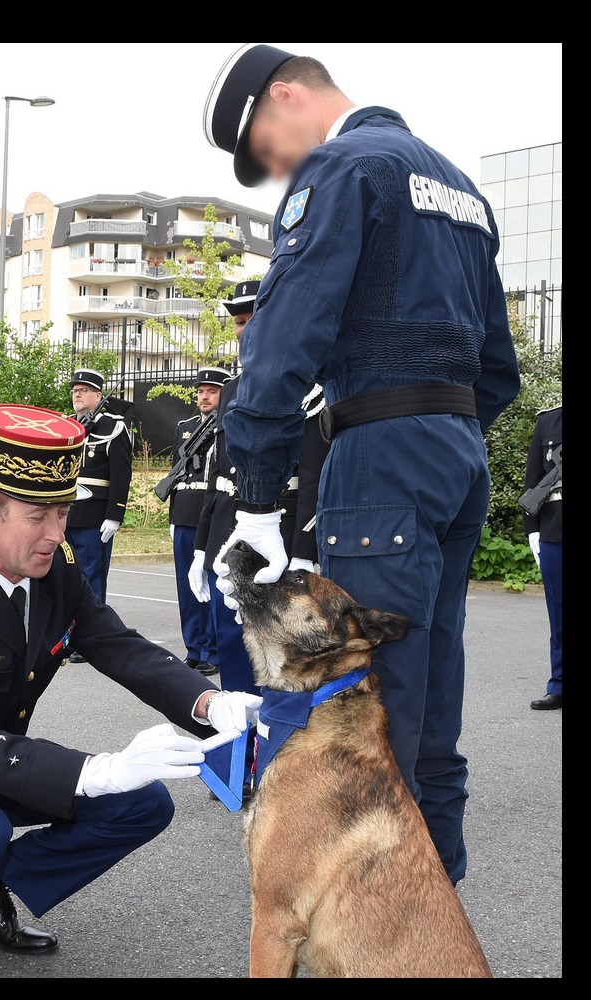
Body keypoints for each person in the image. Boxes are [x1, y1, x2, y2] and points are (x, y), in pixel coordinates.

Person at [202, 44, 521, 885]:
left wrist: (261, 502)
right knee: (430, 690)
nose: (280, 172)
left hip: (381, 460)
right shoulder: (458, 186)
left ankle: (374, 929)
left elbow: (280, 343)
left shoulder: (343, 168)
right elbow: (499, 371)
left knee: (367, 707)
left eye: (270, 150)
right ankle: (434, 910)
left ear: (285, 96)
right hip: (456, 451)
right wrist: (435, 424)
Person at [0, 402, 261, 979]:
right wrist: (98, 768)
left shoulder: (55, 571)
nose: (57, 535)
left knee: (142, 803)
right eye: (38, 517)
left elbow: (120, 646)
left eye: (63, 514)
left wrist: (210, 703)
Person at [188, 281, 328, 795]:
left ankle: (283, 764)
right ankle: (239, 760)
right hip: (234, 533)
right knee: (232, 650)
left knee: (284, 656)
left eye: (252, 319)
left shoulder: (310, 387)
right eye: (239, 322)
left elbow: (313, 474)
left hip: (282, 536)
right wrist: (204, 544)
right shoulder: (232, 390)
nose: (245, 330)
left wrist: (308, 551)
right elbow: (217, 476)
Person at [65, 370, 133, 666]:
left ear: (97, 395)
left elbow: (121, 475)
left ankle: (90, 638)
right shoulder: (68, 425)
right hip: (66, 514)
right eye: (74, 390)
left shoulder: (113, 427)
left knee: (91, 579)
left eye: (83, 390)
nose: (77, 395)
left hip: (95, 516)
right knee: (65, 577)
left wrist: (115, 514)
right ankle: (65, 635)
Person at [168, 367, 232, 677]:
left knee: (212, 588)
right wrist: (172, 517)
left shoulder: (229, 425)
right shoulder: (186, 426)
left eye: (212, 391)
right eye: (200, 392)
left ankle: (214, 651)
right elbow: (175, 474)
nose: (204, 397)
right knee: (187, 587)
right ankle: (194, 648)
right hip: (184, 514)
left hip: (211, 516)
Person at [523, 403, 562, 710]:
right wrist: (533, 531)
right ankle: (559, 684)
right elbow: (533, 479)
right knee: (559, 615)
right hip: (554, 528)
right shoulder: (549, 420)